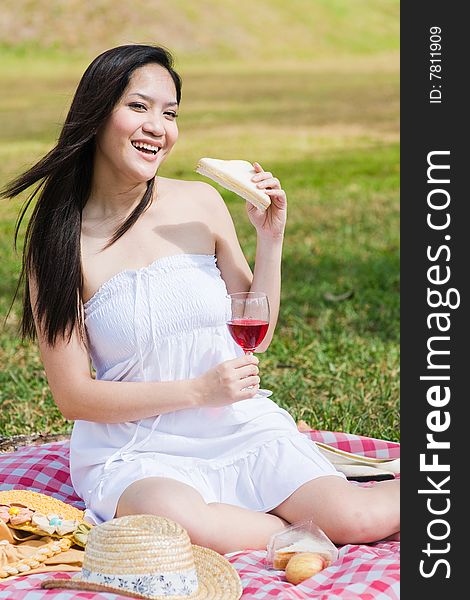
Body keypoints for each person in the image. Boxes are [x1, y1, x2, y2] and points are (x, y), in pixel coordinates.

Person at [3, 44, 399, 555]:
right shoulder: (61, 239)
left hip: (237, 425)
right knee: (175, 522)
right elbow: (73, 396)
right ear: (97, 113)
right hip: (136, 448)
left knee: (357, 515)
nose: (158, 127)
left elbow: (257, 326)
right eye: (139, 107)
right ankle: (297, 538)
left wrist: (270, 237)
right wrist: (197, 391)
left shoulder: (200, 202)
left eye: (169, 113)